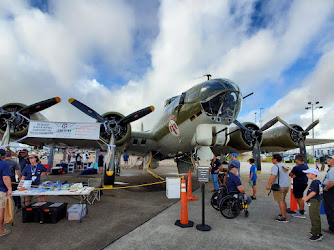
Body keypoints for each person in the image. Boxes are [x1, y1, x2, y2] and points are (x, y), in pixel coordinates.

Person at [266, 154, 290, 222]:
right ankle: (284, 213)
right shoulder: (284, 165)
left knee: (280, 201)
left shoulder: (275, 167)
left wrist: (268, 185)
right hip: (286, 186)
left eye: (272, 159)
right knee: (283, 200)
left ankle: (284, 217)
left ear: (275, 160)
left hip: (279, 186)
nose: (272, 160)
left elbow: (273, 176)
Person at [302, 168, 323, 241]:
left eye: (308, 174)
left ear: (313, 174)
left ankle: (316, 234)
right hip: (316, 200)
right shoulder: (318, 182)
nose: (306, 175)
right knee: (316, 216)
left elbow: (314, 192)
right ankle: (317, 231)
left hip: (314, 201)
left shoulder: (315, 182)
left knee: (314, 216)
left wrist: (306, 198)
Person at [289, 154, 309, 218]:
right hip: (304, 183)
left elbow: (290, 174)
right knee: (299, 196)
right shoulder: (306, 166)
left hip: (298, 183)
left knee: (298, 197)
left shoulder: (296, 167)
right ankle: (301, 209)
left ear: (297, 160)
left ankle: (301, 211)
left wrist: (294, 175)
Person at [0, 149, 12, 236]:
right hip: (1, 190)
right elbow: (5, 178)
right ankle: (1, 230)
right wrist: (9, 189)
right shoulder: (4, 164)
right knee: (1, 210)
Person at [322, 155, 334, 234]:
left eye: (330, 159)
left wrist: (325, 188)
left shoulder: (333, 170)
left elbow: (332, 182)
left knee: (330, 209)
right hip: (330, 191)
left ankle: (332, 228)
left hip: (330, 191)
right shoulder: (331, 169)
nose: (328, 160)